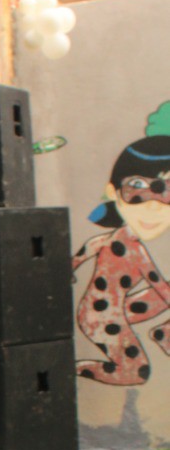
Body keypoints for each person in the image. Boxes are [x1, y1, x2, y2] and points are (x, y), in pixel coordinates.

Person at [73, 109, 170, 385]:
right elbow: (158, 285)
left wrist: (70, 266)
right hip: (102, 318)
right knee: (137, 373)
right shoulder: (133, 249)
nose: (154, 205)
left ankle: (163, 334)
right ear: (114, 193)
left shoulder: (120, 239)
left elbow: (91, 246)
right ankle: (72, 370)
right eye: (138, 187)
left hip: (117, 309)